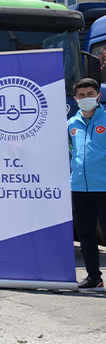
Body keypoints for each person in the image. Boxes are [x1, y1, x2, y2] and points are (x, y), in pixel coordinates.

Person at [68, 77, 106, 291]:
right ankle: (94, 278)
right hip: (79, 188)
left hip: (104, 187)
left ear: (98, 96)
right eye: (81, 95)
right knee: (86, 236)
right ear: (75, 98)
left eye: (90, 94)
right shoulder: (72, 123)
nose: (85, 98)